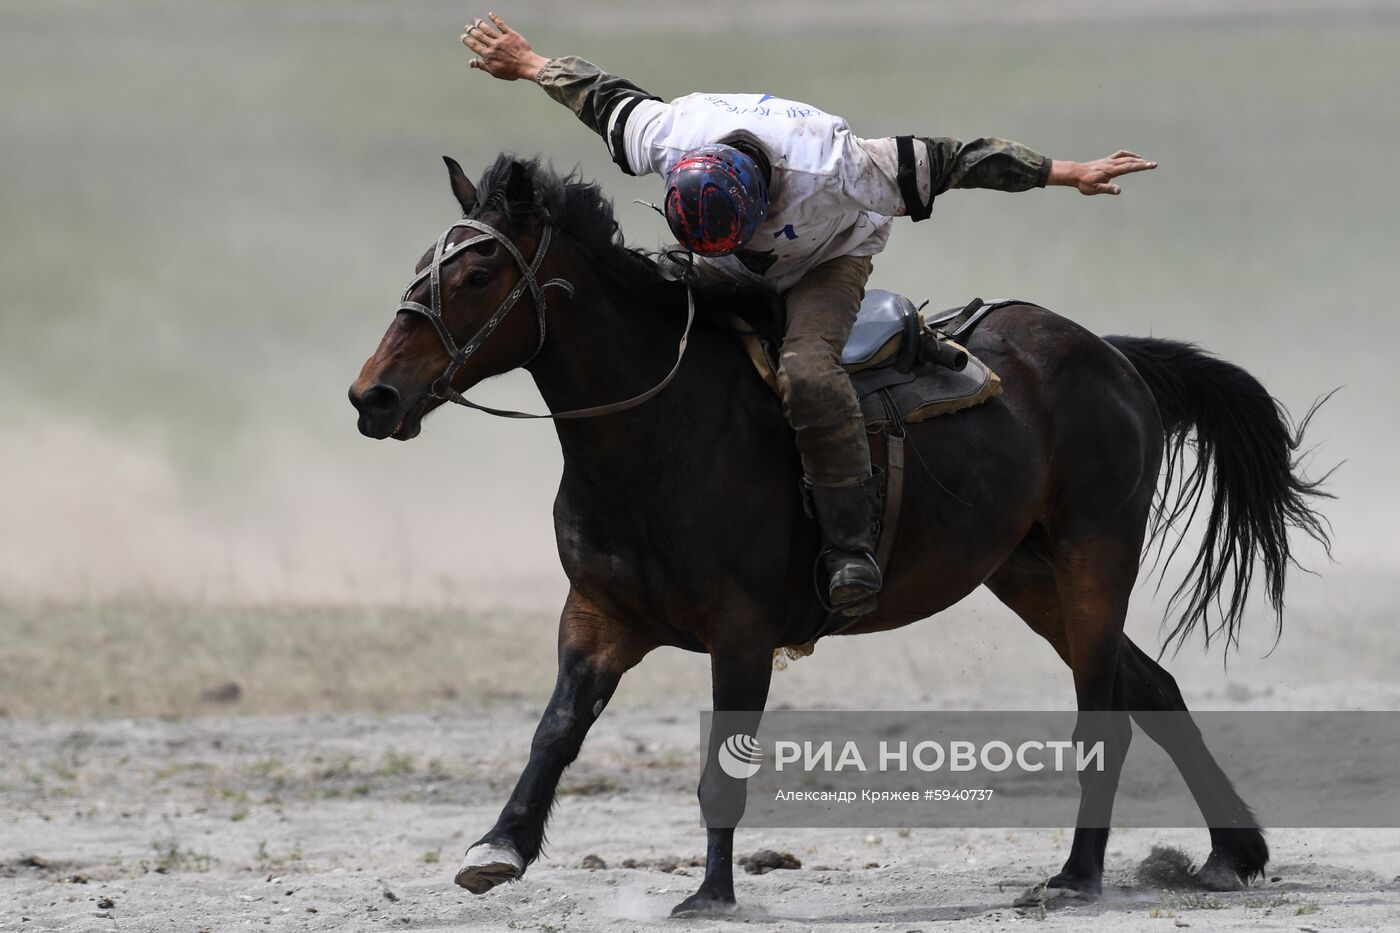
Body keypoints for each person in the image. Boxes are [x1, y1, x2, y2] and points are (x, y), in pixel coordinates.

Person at [460, 13, 1156, 617]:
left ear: (762, 197)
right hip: (724, 257)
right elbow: (603, 96)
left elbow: (956, 159)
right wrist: (525, 63)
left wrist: (1069, 171)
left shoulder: (842, 166)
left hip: (828, 259)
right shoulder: (669, 135)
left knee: (808, 373)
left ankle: (849, 546)